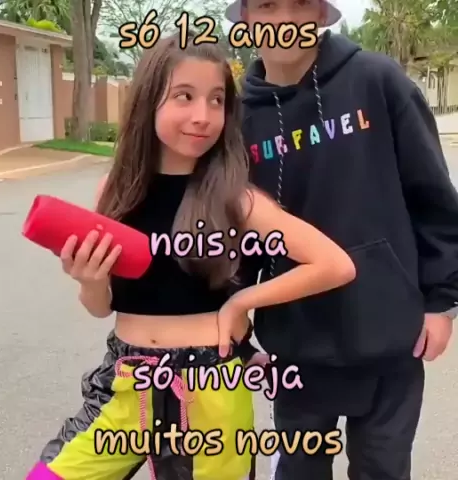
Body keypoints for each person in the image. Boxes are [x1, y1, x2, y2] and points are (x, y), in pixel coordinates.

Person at [26, 32, 356, 480]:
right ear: (149, 101)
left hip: (210, 392)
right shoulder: (116, 192)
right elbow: (102, 307)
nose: (203, 116)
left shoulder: (236, 200)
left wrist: (241, 303)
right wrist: (90, 280)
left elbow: (335, 264)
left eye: (216, 100)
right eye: (184, 96)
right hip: (126, 384)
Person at [225, 0, 458, 479]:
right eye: (267, 5)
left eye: (299, 4)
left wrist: (442, 301)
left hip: (389, 336)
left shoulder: (378, 81)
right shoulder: (238, 119)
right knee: (300, 469)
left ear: (319, 14)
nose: (284, 20)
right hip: (296, 347)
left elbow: (432, 196)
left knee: (383, 470)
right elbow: (237, 238)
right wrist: (237, 330)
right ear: (246, 18)